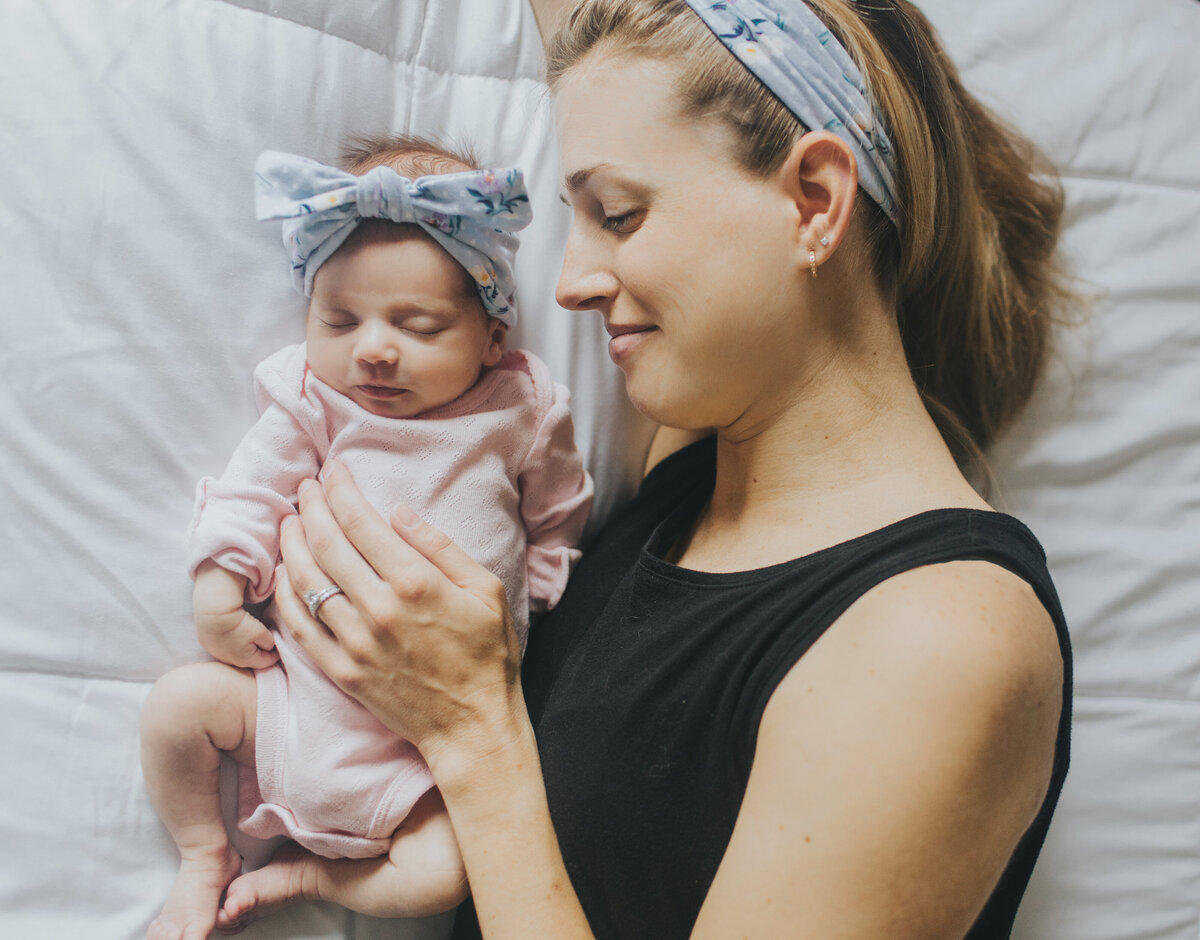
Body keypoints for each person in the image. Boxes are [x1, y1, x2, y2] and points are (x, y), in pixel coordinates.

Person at [220, 1, 1076, 936]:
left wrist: (473, 729)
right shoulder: (687, 478)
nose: (568, 281)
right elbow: (617, 50)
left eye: (618, 215)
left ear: (816, 203)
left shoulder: (946, 640)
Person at [139, 135, 592, 939]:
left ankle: (313, 875)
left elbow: (557, 503)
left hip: (420, 758)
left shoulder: (520, 407)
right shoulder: (315, 397)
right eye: (340, 318)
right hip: (287, 704)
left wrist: (545, 580)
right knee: (177, 710)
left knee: (447, 875)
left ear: (493, 338)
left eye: (417, 325)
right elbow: (252, 487)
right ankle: (205, 852)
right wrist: (218, 588)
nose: (373, 348)